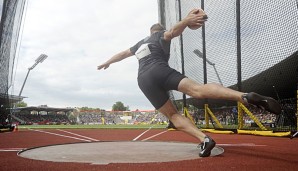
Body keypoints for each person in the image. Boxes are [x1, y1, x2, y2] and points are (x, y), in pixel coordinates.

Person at [97, 8, 281, 157]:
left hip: (144, 79)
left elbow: (122, 54)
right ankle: (243, 96)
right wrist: (185, 21)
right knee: (198, 90)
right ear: (158, 30)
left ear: (149, 31)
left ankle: (204, 139)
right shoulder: (159, 35)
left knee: (173, 116)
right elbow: (171, 32)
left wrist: (107, 62)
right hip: (160, 70)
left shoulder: (139, 44)